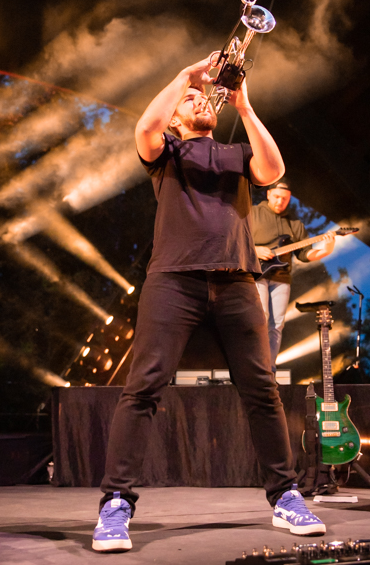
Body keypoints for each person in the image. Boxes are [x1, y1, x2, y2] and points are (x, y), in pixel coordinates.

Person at [92, 54, 327, 552]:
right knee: (143, 388)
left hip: (238, 280)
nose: (201, 102)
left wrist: (243, 104)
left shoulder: (235, 153)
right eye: (191, 101)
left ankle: (286, 495)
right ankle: (115, 504)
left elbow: (274, 169)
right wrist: (185, 77)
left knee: (262, 389)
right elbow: (145, 128)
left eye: (205, 99)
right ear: (176, 116)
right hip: (173, 281)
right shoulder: (167, 151)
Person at [252, 181, 335, 372]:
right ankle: (255, 367)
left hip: (281, 278)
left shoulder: (295, 224)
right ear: (268, 194)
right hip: (255, 274)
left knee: (276, 325)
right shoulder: (252, 214)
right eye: (276, 197)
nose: (280, 201)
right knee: (261, 318)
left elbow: (304, 254)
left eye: (285, 199)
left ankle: (268, 370)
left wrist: (326, 250)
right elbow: (235, 240)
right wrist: (255, 250)